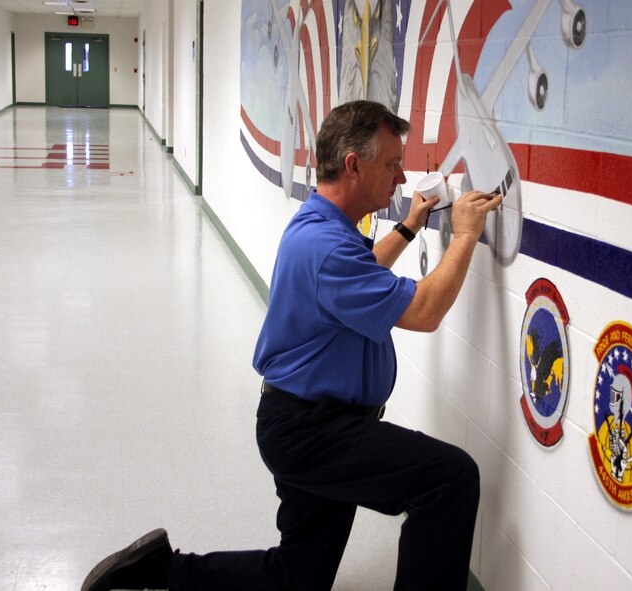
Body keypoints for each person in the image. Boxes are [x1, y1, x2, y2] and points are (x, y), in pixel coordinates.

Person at [82, 100, 502, 591]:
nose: (401, 177)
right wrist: (466, 234)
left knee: (298, 577)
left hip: (303, 421)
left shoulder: (322, 228)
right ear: (354, 164)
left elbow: (362, 272)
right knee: (448, 479)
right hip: (314, 431)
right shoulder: (326, 248)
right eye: (391, 164)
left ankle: (157, 575)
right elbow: (426, 312)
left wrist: (409, 226)